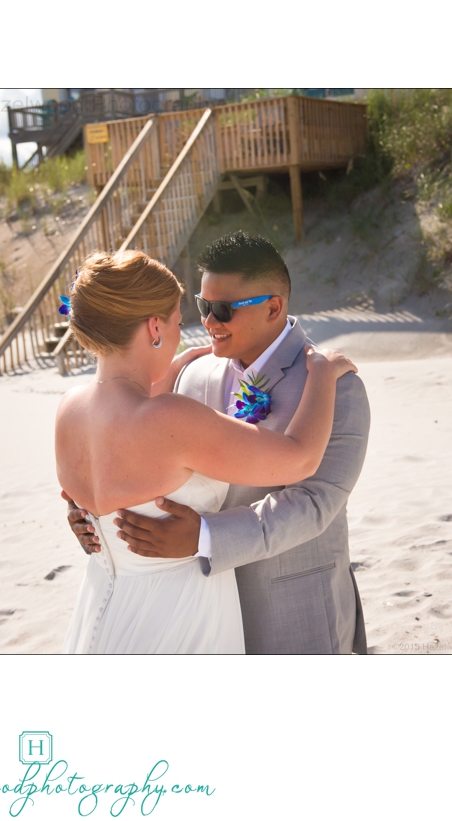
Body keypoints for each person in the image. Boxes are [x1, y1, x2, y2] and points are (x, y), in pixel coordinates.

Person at [67, 232, 372, 654]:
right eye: (202, 307)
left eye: (223, 310)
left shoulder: (337, 386)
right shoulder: (191, 374)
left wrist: (205, 537)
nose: (208, 323)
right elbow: (127, 446)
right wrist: (90, 515)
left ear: (273, 307)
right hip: (190, 609)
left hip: (287, 606)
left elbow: (316, 502)